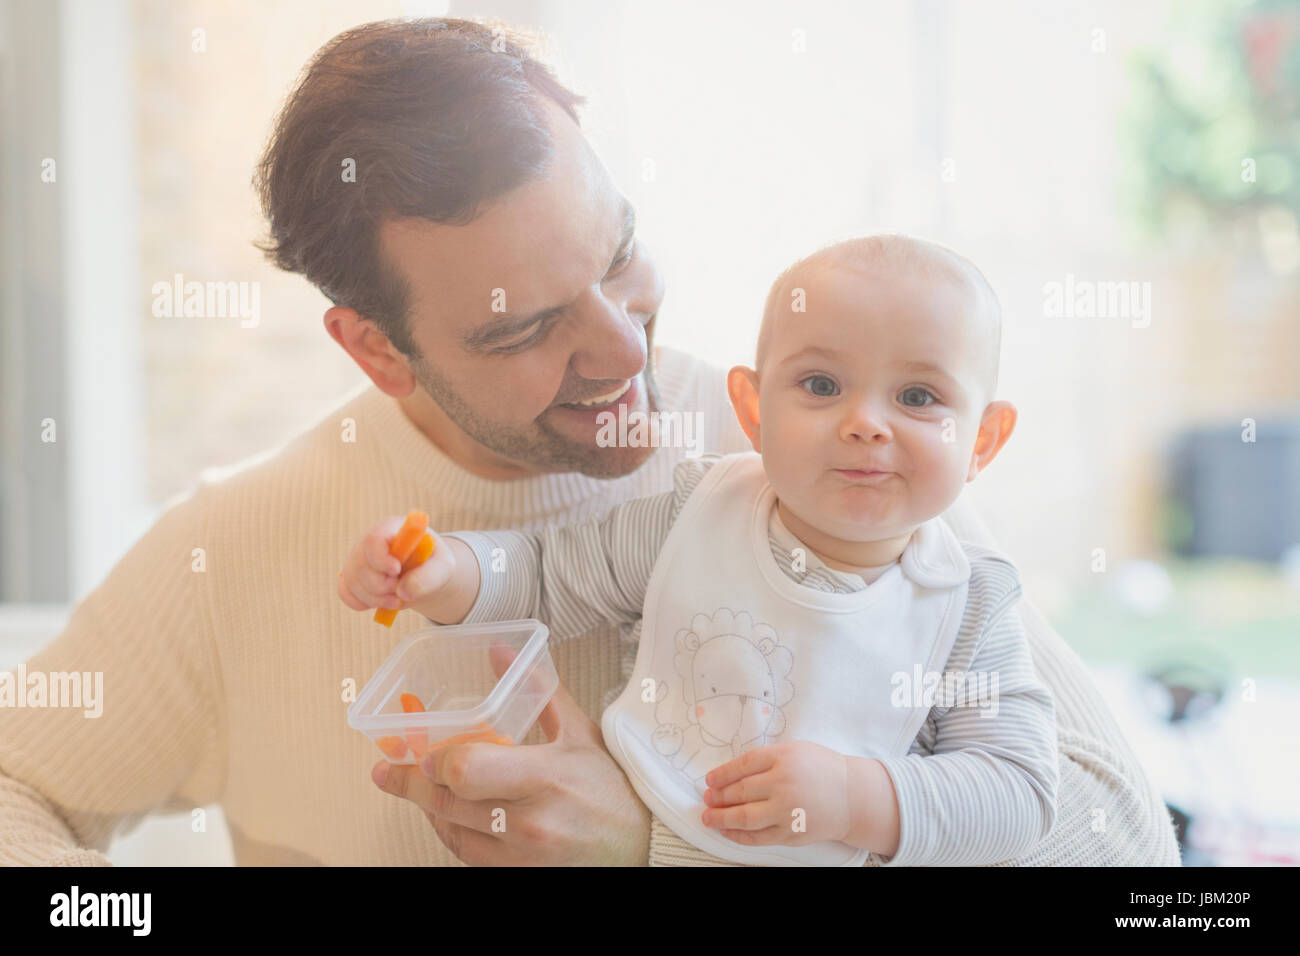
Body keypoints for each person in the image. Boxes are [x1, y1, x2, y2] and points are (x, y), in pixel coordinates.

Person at [0, 18, 1179, 866]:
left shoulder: (806, 463)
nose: (622, 350)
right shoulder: (241, 546)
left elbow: (1126, 847)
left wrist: (657, 843)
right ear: (376, 349)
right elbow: (19, 784)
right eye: (523, 325)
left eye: (618, 253)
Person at [340, 234, 1059, 866]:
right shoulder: (697, 515)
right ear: (751, 410)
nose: (865, 423)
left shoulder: (968, 605)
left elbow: (1020, 791)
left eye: (919, 396)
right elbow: (544, 574)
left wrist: (855, 797)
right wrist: (444, 571)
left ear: (983, 442)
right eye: (821, 385)